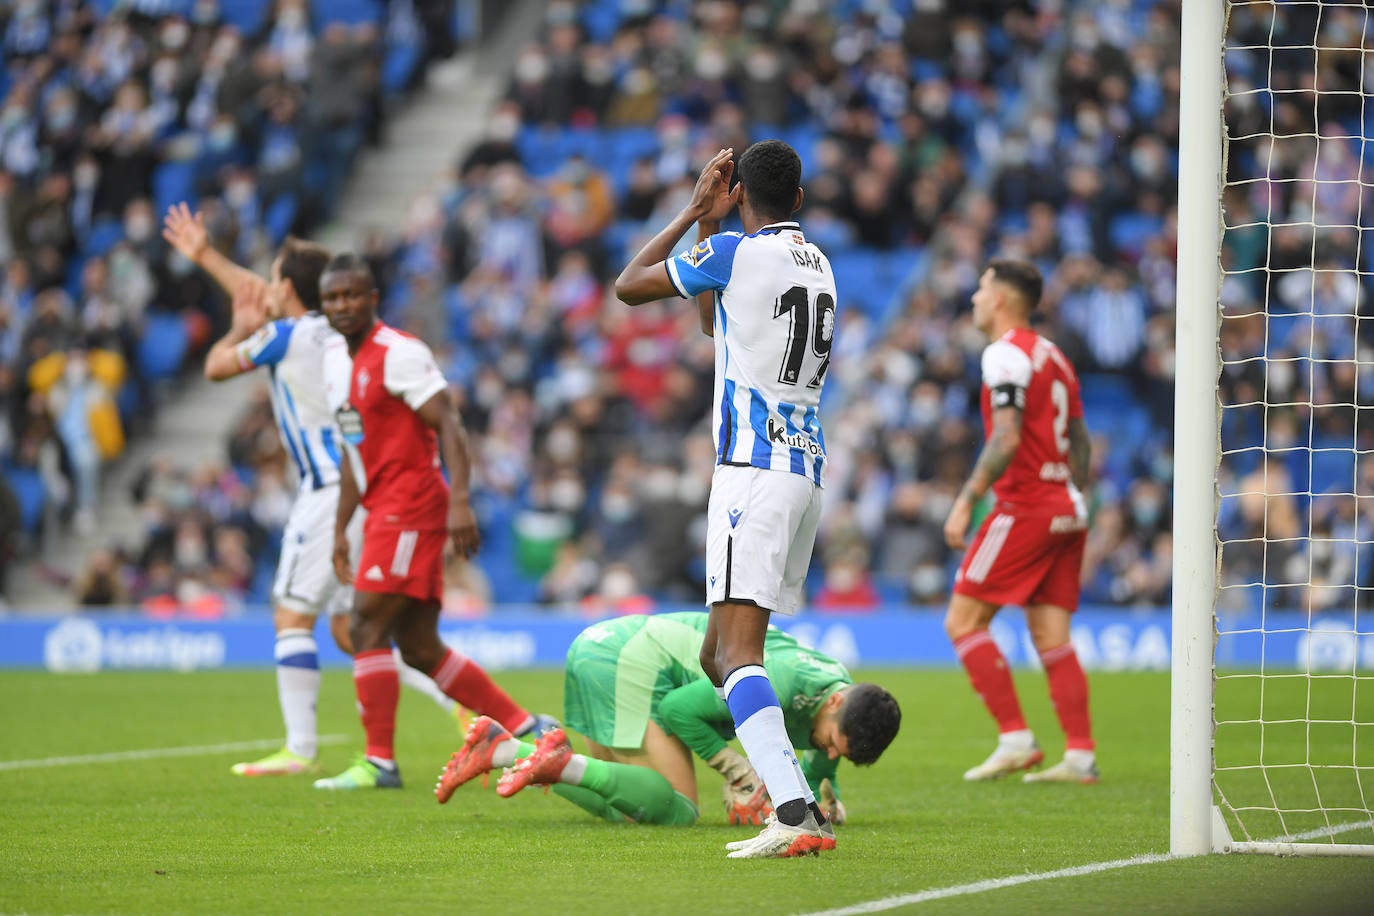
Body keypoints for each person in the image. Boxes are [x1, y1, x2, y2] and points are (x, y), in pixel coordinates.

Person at [162, 204, 460, 778]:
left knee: (292, 615)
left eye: (275, 279)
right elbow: (262, 288)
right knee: (354, 631)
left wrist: (239, 325)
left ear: (288, 290)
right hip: (363, 492)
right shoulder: (342, 333)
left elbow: (216, 366)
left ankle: (299, 748)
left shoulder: (285, 335)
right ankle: (463, 709)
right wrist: (206, 256)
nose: (265, 286)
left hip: (327, 492)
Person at [614, 141, 840, 858]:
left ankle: (796, 814)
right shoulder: (818, 262)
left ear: (740, 193)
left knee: (740, 655)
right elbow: (718, 324)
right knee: (718, 656)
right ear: (798, 200)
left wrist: (692, 213)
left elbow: (628, 285)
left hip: (753, 470)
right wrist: (716, 224)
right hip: (804, 470)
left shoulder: (734, 253)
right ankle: (795, 792)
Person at [315, 253, 554, 790]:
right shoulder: (334, 362)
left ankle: (379, 763)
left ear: (372, 298)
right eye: (331, 298)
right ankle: (526, 726)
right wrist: (340, 529)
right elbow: (354, 451)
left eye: (351, 295)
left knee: (364, 623)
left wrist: (460, 500)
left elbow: (449, 422)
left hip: (412, 504)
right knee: (420, 647)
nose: (341, 305)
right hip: (381, 509)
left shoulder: (399, 353)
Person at [435, 611, 900, 831]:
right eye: (832, 742)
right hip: (625, 661)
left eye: (839, 753)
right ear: (834, 702)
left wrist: (819, 801)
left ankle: (505, 748)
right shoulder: (781, 682)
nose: (827, 752)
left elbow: (819, 763)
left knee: (627, 806)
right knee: (678, 809)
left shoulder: (837, 698)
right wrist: (736, 768)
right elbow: (679, 709)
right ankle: (534, 754)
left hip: (605, 645)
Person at [941, 258, 1098, 784]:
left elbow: (1006, 437)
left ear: (1001, 300)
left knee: (963, 622)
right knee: (1051, 636)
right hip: (1066, 508)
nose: (974, 298)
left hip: (1025, 506)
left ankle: (1015, 739)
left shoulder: (1004, 353)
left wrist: (966, 499)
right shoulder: (1054, 355)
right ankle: (1079, 756)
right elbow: (1080, 440)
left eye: (981, 289)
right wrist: (1070, 494)